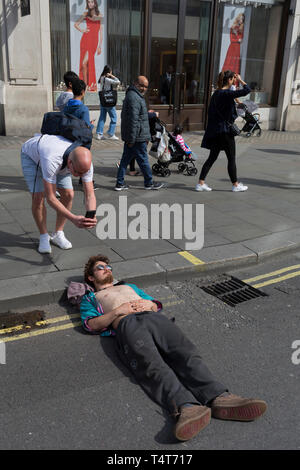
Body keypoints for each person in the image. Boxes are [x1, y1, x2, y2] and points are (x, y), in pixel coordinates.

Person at [79, 254, 267, 442]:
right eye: (100, 268)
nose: (107, 269)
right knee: (152, 364)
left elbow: (156, 304)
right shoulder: (91, 298)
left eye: (109, 267)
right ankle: (186, 406)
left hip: (154, 318)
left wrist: (150, 304)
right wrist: (119, 311)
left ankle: (219, 397)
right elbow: (90, 324)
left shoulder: (130, 286)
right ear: (90, 277)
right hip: (127, 324)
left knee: (186, 353)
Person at [20, 135, 97, 254]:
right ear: (70, 163)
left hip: (62, 161)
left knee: (69, 195)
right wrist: (73, 218)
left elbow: (90, 194)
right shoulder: (51, 159)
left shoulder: (84, 165)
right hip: (33, 158)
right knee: (38, 197)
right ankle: (44, 235)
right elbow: (51, 197)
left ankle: (57, 233)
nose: (80, 176)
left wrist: (91, 215)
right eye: (77, 172)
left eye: (83, 173)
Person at [196, 71, 251, 192]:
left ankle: (201, 183)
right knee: (231, 158)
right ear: (230, 80)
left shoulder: (216, 94)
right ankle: (235, 185)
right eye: (234, 79)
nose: (235, 81)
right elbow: (247, 89)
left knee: (212, 158)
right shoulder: (227, 93)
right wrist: (241, 80)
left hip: (216, 131)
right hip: (225, 132)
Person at [115, 76, 164, 191]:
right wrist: (132, 139)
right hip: (137, 137)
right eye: (141, 85)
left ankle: (119, 183)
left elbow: (137, 116)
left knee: (125, 160)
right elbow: (133, 120)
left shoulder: (135, 96)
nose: (144, 88)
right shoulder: (134, 97)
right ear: (135, 83)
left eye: (146, 86)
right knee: (143, 160)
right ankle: (149, 183)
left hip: (135, 136)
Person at [74, 0, 103, 92]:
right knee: (84, 63)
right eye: (89, 2)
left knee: (86, 63)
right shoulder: (85, 14)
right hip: (85, 40)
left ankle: (87, 85)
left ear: (95, 3)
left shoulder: (100, 16)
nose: (90, 4)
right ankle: (86, 85)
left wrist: (99, 46)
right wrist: (83, 30)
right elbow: (76, 24)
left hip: (94, 42)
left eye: (92, 2)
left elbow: (101, 32)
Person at [96, 65, 120, 140]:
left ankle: (99, 134)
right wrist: (112, 76)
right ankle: (111, 133)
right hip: (109, 100)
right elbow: (118, 82)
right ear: (109, 72)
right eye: (111, 71)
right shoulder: (107, 79)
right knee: (114, 118)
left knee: (102, 117)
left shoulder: (101, 78)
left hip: (103, 100)